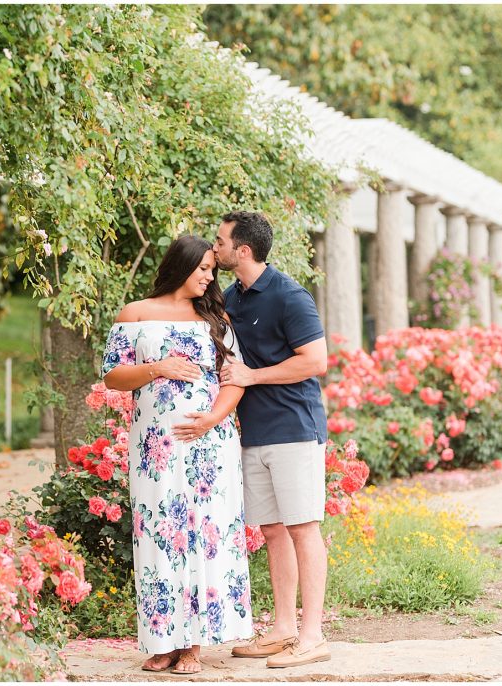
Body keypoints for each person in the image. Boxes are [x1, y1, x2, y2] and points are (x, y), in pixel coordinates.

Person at [102, 235, 253, 675]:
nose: (209, 277)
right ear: (180, 266)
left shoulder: (215, 318)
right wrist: (158, 368)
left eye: (213, 270)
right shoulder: (136, 313)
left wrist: (210, 420)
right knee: (159, 532)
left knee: (203, 532)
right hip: (156, 448)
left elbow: (235, 379)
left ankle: (194, 644)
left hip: (209, 444)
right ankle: (163, 640)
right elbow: (112, 377)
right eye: (203, 268)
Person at [211, 211, 331, 668]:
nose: (214, 246)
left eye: (220, 240)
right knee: (273, 531)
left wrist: (253, 376)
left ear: (243, 250)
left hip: (294, 430)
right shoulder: (231, 298)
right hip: (254, 433)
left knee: (303, 528)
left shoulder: (289, 296)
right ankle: (283, 630)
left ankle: (313, 635)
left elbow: (315, 361)